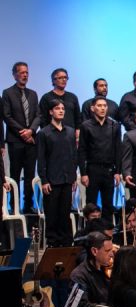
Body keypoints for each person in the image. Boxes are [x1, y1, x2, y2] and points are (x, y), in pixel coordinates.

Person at [37, 99, 78, 247]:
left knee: (65, 213)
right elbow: (41, 159)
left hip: (67, 179)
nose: (61, 110)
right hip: (52, 180)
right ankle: (53, 243)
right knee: (52, 214)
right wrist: (44, 180)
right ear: (50, 112)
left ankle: (66, 242)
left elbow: (74, 156)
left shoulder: (70, 132)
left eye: (62, 108)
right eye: (57, 108)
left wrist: (73, 177)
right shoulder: (44, 133)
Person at [2, 61, 40, 213]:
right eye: (22, 72)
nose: (25, 75)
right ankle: (14, 205)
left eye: (27, 73)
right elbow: (7, 116)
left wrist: (31, 131)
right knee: (15, 173)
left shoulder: (33, 94)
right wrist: (23, 132)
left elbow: (38, 115)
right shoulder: (7, 93)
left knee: (30, 173)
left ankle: (28, 204)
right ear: (14, 75)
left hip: (31, 140)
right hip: (15, 140)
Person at [78, 95, 121, 225]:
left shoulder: (114, 125)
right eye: (99, 106)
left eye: (105, 106)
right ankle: (90, 232)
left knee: (108, 204)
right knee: (91, 204)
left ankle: (108, 235)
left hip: (109, 169)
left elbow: (118, 150)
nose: (103, 108)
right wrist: (83, 173)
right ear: (92, 108)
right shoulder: (86, 126)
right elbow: (82, 150)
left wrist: (118, 171)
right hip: (92, 169)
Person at [39, 68, 82, 135]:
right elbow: (42, 119)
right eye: (60, 78)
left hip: (70, 135)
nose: (64, 80)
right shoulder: (46, 98)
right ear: (53, 80)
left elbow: (78, 117)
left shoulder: (73, 97)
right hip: (52, 136)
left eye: (65, 77)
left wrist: (78, 130)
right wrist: (46, 134)